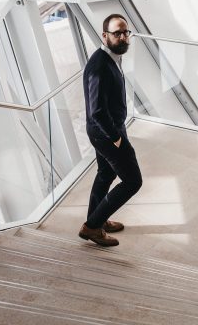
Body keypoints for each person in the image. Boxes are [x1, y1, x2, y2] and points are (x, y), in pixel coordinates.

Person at [79, 14, 143, 247]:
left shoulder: (112, 58)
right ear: (104, 36)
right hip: (106, 134)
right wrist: (116, 137)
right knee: (133, 181)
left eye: (126, 32)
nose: (124, 37)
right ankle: (92, 227)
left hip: (106, 131)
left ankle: (98, 218)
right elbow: (96, 110)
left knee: (106, 174)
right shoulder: (99, 65)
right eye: (117, 33)